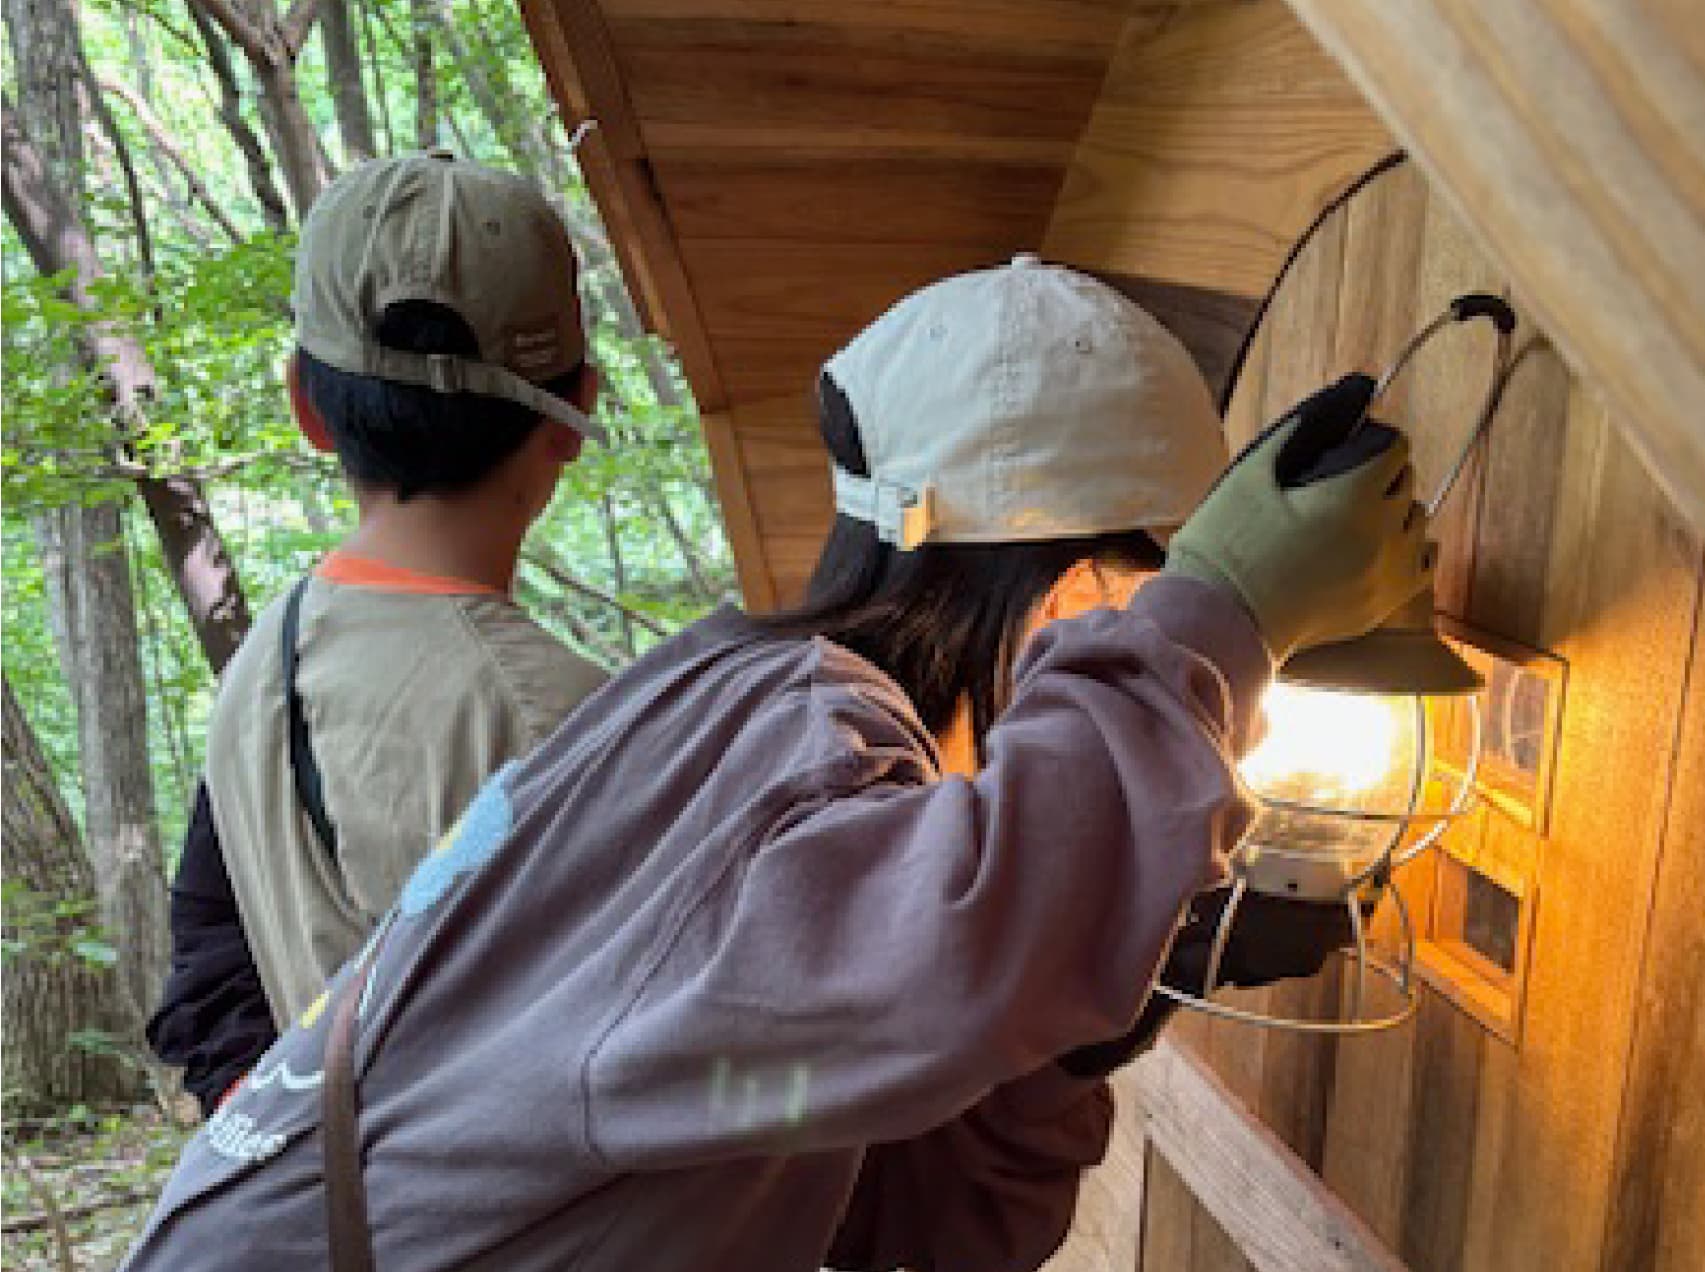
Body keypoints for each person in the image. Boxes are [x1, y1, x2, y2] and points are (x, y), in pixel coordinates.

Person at [121, 256, 1429, 1271]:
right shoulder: (789, 751)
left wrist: (1092, 1023)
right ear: (1080, 586)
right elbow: (966, 953)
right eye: (1135, 612)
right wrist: (1219, 623)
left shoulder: (765, 721)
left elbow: (906, 1229)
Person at [144, 150, 612, 1110]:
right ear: (577, 410)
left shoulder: (263, 664)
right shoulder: (577, 724)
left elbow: (208, 965)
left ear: (306, 405)